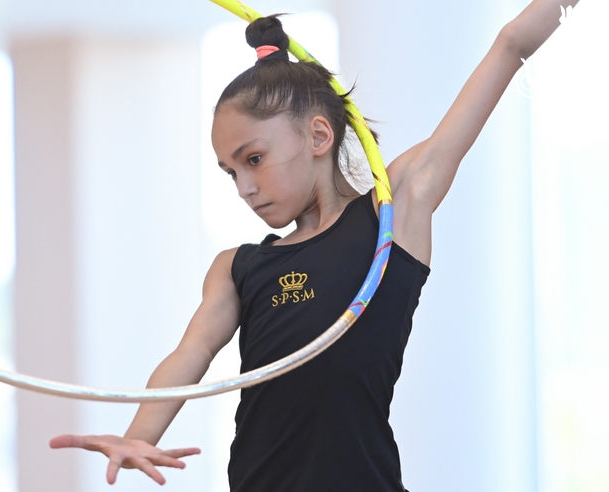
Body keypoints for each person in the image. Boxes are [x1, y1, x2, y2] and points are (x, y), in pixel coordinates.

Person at [50, 1, 577, 489]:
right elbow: (192, 351)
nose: (244, 187)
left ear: (319, 137)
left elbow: (510, 43)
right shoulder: (237, 267)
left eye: (253, 158)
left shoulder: (390, 218)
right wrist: (141, 435)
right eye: (230, 171)